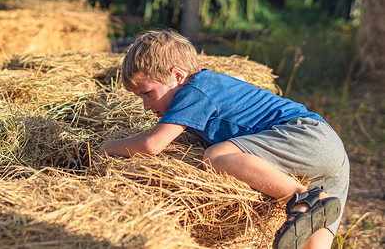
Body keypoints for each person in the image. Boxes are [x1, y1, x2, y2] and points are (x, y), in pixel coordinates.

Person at [99, 30, 349, 249]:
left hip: (306, 136)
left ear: (177, 76)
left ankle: (304, 198)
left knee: (216, 156)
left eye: (147, 93)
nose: (145, 106)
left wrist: (106, 147)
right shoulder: (208, 84)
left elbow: (152, 145)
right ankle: (312, 201)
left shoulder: (193, 91)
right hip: (332, 155)